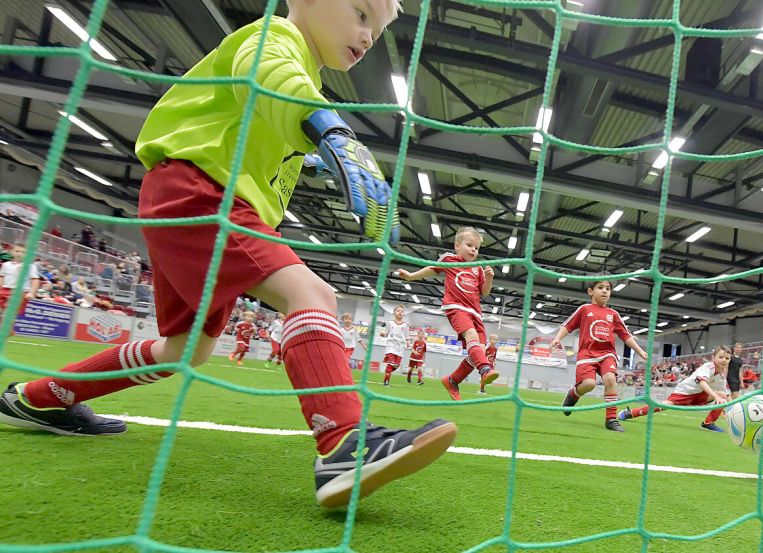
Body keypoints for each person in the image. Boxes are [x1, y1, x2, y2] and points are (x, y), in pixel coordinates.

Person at [0, 0, 457, 511]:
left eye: (379, 26)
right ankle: (344, 442)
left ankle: (37, 398)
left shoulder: (302, 83)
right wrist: (331, 131)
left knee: (185, 350)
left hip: (188, 196)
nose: (369, 35)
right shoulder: (272, 39)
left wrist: (309, 145)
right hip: (199, 192)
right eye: (361, 13)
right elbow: (273, 74)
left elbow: (275, 118)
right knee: (311, 293)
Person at [396, 227, 497, 400]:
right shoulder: (449, 259)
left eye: (477, 248)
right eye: (469, 245)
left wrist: (489, 278)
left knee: (478, 351)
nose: (474, 250)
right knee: (472, 337)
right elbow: (431, 269)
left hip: (476, 313)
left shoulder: (478, 269)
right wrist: (410, 276)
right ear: (457, 246)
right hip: (456, 308)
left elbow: (484, 292)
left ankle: (453, 380)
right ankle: (485, 369)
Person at [553, 280, 648, 432]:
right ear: (591, 291)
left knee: (610, 379)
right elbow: (568, 325)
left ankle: (611, 419)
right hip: (587, 355)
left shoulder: (613, 314)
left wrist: (640, 351)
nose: (605, 291)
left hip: (607, 354)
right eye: (600, 288)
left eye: (608, 289)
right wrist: (557, 338)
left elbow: (626, 335)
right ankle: (573, 394)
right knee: (589, 384)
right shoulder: (584, 309)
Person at [618, 345, 731, 432]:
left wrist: (733, 409)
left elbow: (726, 394)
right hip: (685, 393)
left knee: (722, 395)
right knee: (662, 406)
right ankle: (632, 413)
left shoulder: (721, 376)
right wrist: (715, 396)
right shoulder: (707, 367)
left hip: (698, 396)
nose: (724, 360)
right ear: (713, 357)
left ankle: (708, 423)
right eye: (721, 357)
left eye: (727, 358)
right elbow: (702, 382)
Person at [701, 341, 744, 429]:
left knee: (733, 397)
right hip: (730, 378)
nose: (738, 349)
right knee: (732, 396)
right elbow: (725, 367)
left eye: (740, 347)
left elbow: (740, 371)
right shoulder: (729, 357)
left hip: (736, 379)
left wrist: (742, 382)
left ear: (741, 349)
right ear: (734, 348)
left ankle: (724, 409)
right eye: (737, 347)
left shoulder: (740, 360)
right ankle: (726, 411)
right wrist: (724, 377)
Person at [0, 245, 40, 315]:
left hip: (19, 292)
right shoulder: (6, 265)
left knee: (9, 314)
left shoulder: (30, 266)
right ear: (11, 252)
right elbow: (2, 277)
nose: (20, 254)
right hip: (4, 290)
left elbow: (35, 280)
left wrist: (31, 293)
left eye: (23, 252)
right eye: (17, 251)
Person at [380, 305, 409, 386]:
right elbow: (386, 333)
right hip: (391, 345)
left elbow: (407, 337)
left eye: (402, 311)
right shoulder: (390, 323)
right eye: (398, 311)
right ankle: (386, 381)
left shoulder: (405, 326)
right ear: (394, 313)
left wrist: (408, 343)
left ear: (404, 314)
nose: (400, 312)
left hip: (400, 347)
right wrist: (383, 334)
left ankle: (387, 371)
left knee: (396, 365)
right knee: (391, 363)